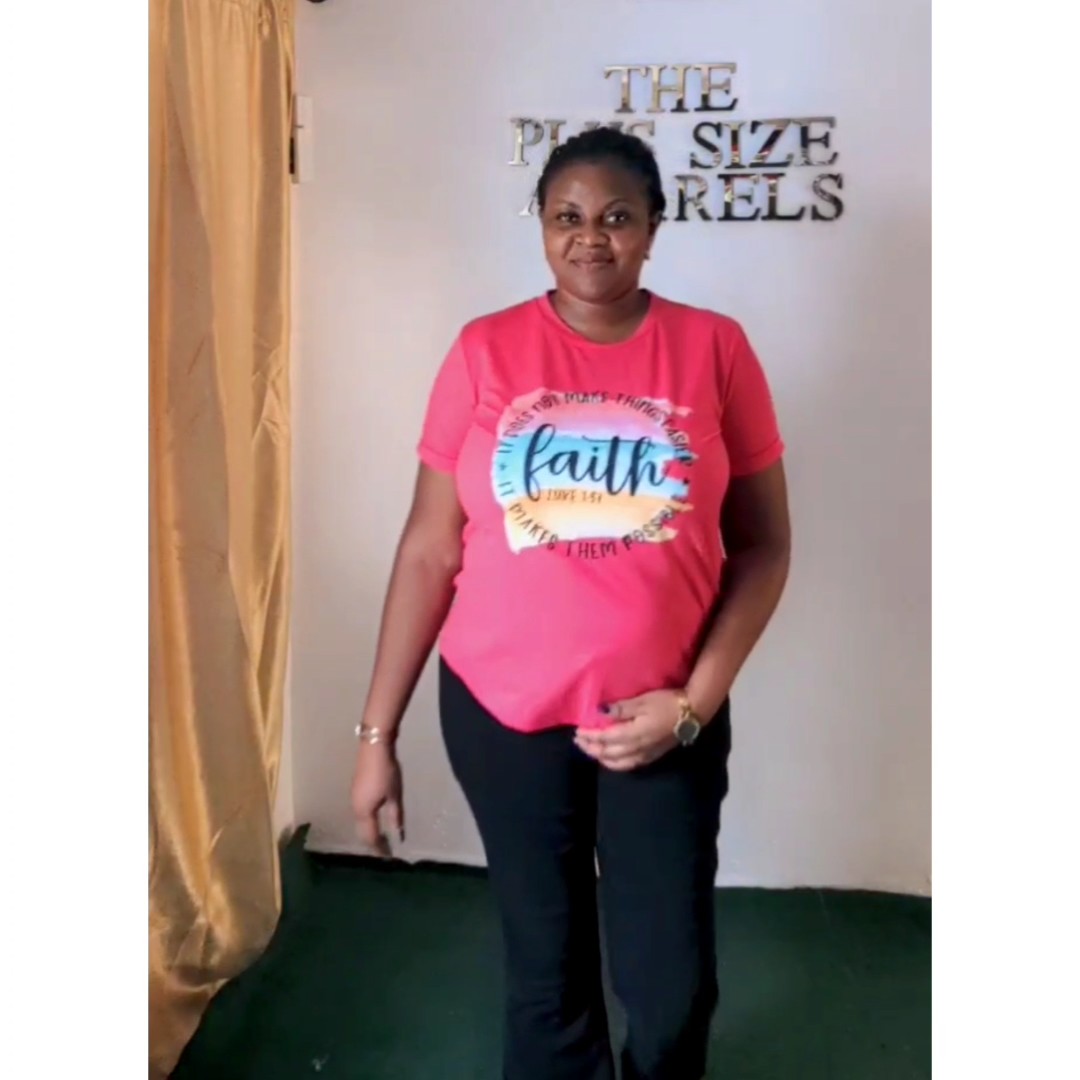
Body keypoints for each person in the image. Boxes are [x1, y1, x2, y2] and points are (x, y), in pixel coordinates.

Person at [350, 126, 791, 1080]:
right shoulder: (484, 350)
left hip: (664, 718)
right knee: (545, 973)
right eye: (568, 217)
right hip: (502, 715)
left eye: (617, 217)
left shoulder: (714, 349)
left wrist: (692, 705)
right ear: (543, 226)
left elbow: (764, 548)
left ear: (654, 229)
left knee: (670, 984)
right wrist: (376, 736)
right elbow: (429, 550)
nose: (591, 237)